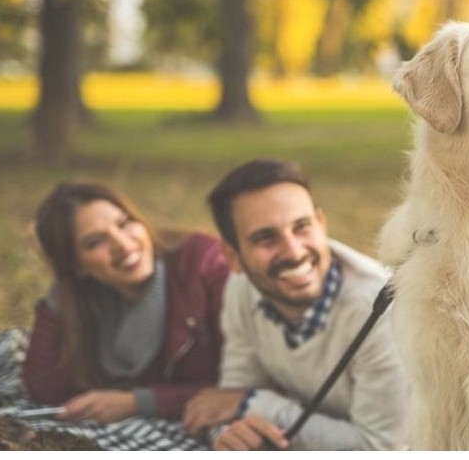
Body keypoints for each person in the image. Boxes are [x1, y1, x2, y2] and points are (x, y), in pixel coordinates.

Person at [181, 158, 409, 451]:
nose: (294, 252)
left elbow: (380, 448)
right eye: (265, 238)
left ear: (321, 223)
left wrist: (253, 405)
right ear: (233, 257)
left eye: (301, 227)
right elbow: (233, 395)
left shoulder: (382, 313)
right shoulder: (242, 290)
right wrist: (228, 432)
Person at [22, 180, 231, 424]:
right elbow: (46, 390)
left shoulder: (204, 262)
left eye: (124, 223)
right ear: (77, 265)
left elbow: (239, 387)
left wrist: (136, 403)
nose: (123, 245)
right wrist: (62, 281)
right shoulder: (90, 298)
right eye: (95, 242)